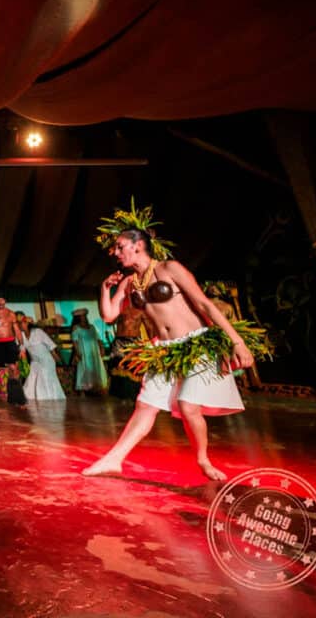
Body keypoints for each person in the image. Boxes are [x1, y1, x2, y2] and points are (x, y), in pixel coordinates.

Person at [84, 200, 260, 481]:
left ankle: (202, 460)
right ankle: (113, 460)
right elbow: (108, 315)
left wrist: (237, 341)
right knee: (145, 407)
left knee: (189, 406)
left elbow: (205, 305)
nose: (114, 252)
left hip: (196, 344)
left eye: (119, 247)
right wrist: (106, 289)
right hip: (164, 350)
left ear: (137, 245)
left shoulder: (169, 268)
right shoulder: (130, 283)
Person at [19, 314, 66, 401]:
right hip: (34, 363)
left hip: (46, 361)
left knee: (45, 380)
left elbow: (51, 347)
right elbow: (22, 350)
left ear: (27, 324)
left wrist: (59, 362)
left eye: (22, 323)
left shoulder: (38, 332)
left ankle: (48, 399)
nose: (20, 324)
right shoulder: (21, 335)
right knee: (31, 381)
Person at [70, 308, 108, 395]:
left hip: (94, 351)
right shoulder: (76, 328)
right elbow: (75, 341)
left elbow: (98, 339)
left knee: (95, 367)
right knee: (84, 367)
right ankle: (83, 390)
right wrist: (77, 352)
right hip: (84, 352)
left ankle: (95, 389)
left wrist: (102, 349)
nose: (84, 318)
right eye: (81, 316)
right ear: (78, 318)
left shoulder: (92, 327)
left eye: (84, 316)